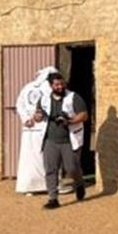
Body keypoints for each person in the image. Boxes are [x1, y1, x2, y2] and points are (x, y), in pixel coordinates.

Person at [41, 71, 89, 209]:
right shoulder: (44, 99)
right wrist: (37, 116)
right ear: (51, 85)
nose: (60, 87)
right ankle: (53, 198)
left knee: (71, 168)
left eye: (62, 84)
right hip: (50, 140)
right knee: (50, 169)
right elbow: (39, 113)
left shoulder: (74, 97)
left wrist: (70, 121)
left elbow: (84, 115)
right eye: (57, 85)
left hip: (69, 140)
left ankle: (79, 184)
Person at [13, 66, 56, 195]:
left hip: (29, 128)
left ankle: (28, 187)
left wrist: (26, 119)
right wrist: (38, 116)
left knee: (29, 158)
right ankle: (45, 185)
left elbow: (20, 105)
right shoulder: (48, 89)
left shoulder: (27, 88)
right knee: (44, 157)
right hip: (42, 128)